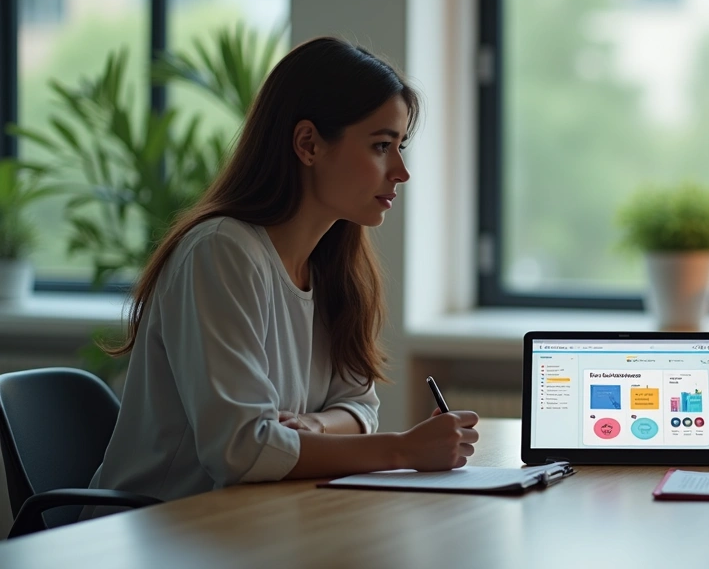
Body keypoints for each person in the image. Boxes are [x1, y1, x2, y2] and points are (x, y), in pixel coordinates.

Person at [85, 37, 479, 514]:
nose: (401, 171)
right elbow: (242, 451)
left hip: (250, 521)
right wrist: (403, 451)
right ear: (308, 144)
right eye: (381, 146)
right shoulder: (221, 252)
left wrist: (313, 427)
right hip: (159, 529)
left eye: (400, 147)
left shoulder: (332, 264)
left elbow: (360, 407)